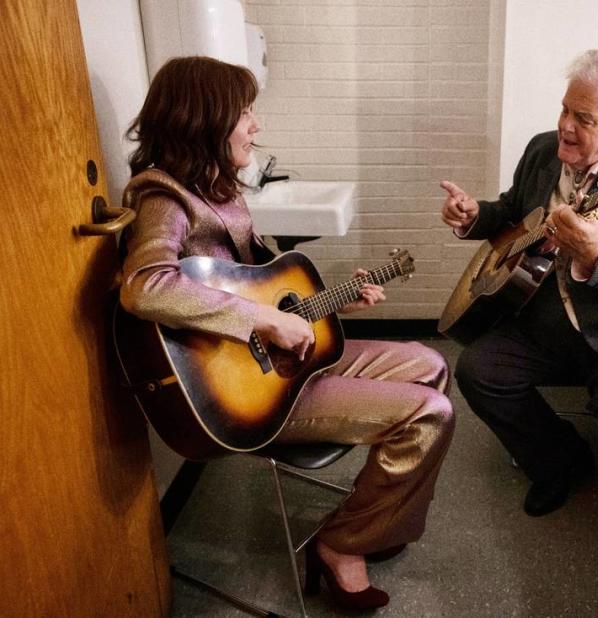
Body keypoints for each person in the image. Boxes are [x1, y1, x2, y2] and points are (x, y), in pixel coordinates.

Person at [119, 56, 455, 611]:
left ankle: (377, 517)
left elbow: (259, 278)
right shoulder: (164, 196)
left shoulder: (218, 188)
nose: (257, 126)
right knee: (430, 413)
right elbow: (146, 286)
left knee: (433, 364)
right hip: (243, 390)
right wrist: (267, 320)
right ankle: (341, 544)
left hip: (279, 365)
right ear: (205, 119)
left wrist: (335, 296)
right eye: (245, 113)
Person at [440, 48, 598, 552]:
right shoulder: (540, 151)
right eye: (564, 110)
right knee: (477, 370)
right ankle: (560, 461)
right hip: (543, 316)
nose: (565, 127)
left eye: (584, 118)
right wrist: (473, 217)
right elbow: (513, 212)